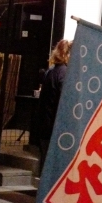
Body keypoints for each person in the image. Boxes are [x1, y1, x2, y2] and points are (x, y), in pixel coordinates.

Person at [37, 39, 71, 175]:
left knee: (46, 161)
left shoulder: (51, 72)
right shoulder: (64, 74)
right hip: (55, 126)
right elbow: (64, 101)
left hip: (45, 124)